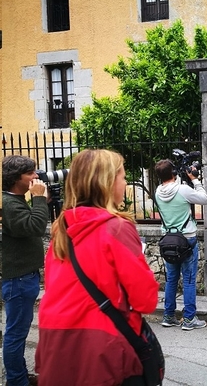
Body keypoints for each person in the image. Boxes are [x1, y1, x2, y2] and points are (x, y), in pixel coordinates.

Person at [34, 149, 160, 386]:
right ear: (108, 183)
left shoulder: (61, 228)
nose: (125, 182)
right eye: (122, 176)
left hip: (55, 339)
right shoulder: (117, 228)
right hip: (102, 344)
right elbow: (146, 300)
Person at [2, 156, 49, 386]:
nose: (35, 177)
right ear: (15, 178)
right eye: (30, 173)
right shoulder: (9, 204)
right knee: (15, 334)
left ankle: (19, 375)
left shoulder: (15, 200)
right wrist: (39, 198)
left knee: (18, 332)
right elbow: (36, 227)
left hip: (23, 277)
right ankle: (16, 381)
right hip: (18, 280)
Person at [154, 159, 207, 330]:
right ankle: (189, 319)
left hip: (168, 240)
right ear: (174, 173)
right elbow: (204, 199)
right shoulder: (183, 190)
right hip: (187, 239)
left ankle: (169, 316)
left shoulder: (157, 192)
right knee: (189, 280)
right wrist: (195, 180)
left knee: (171, 279)